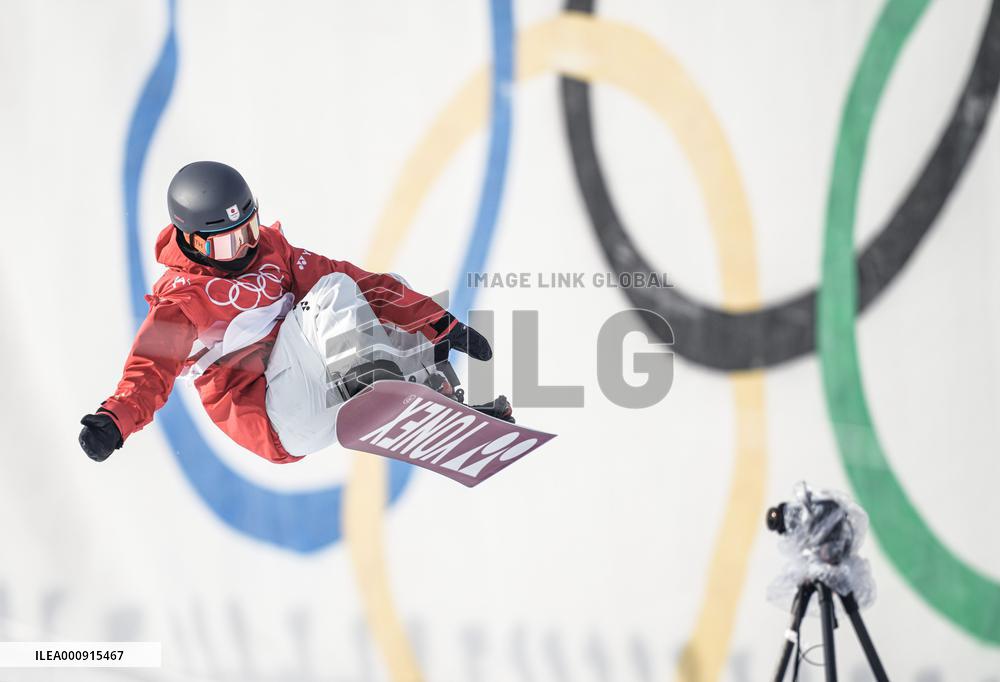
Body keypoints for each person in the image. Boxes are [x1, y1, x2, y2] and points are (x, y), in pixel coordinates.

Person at [79, 161, 502, 464]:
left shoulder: (271, 253)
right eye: (229, 243)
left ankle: (440, 404)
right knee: (333, 293)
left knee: (383, 290)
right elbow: (149, 369)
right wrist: (114, 420)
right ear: (193, 240)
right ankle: (385, 392)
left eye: (248, 230)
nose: (244, 249)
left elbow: (360, 282)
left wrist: (437, 323)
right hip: (273, 413)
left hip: (318, 397)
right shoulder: (182, 301)